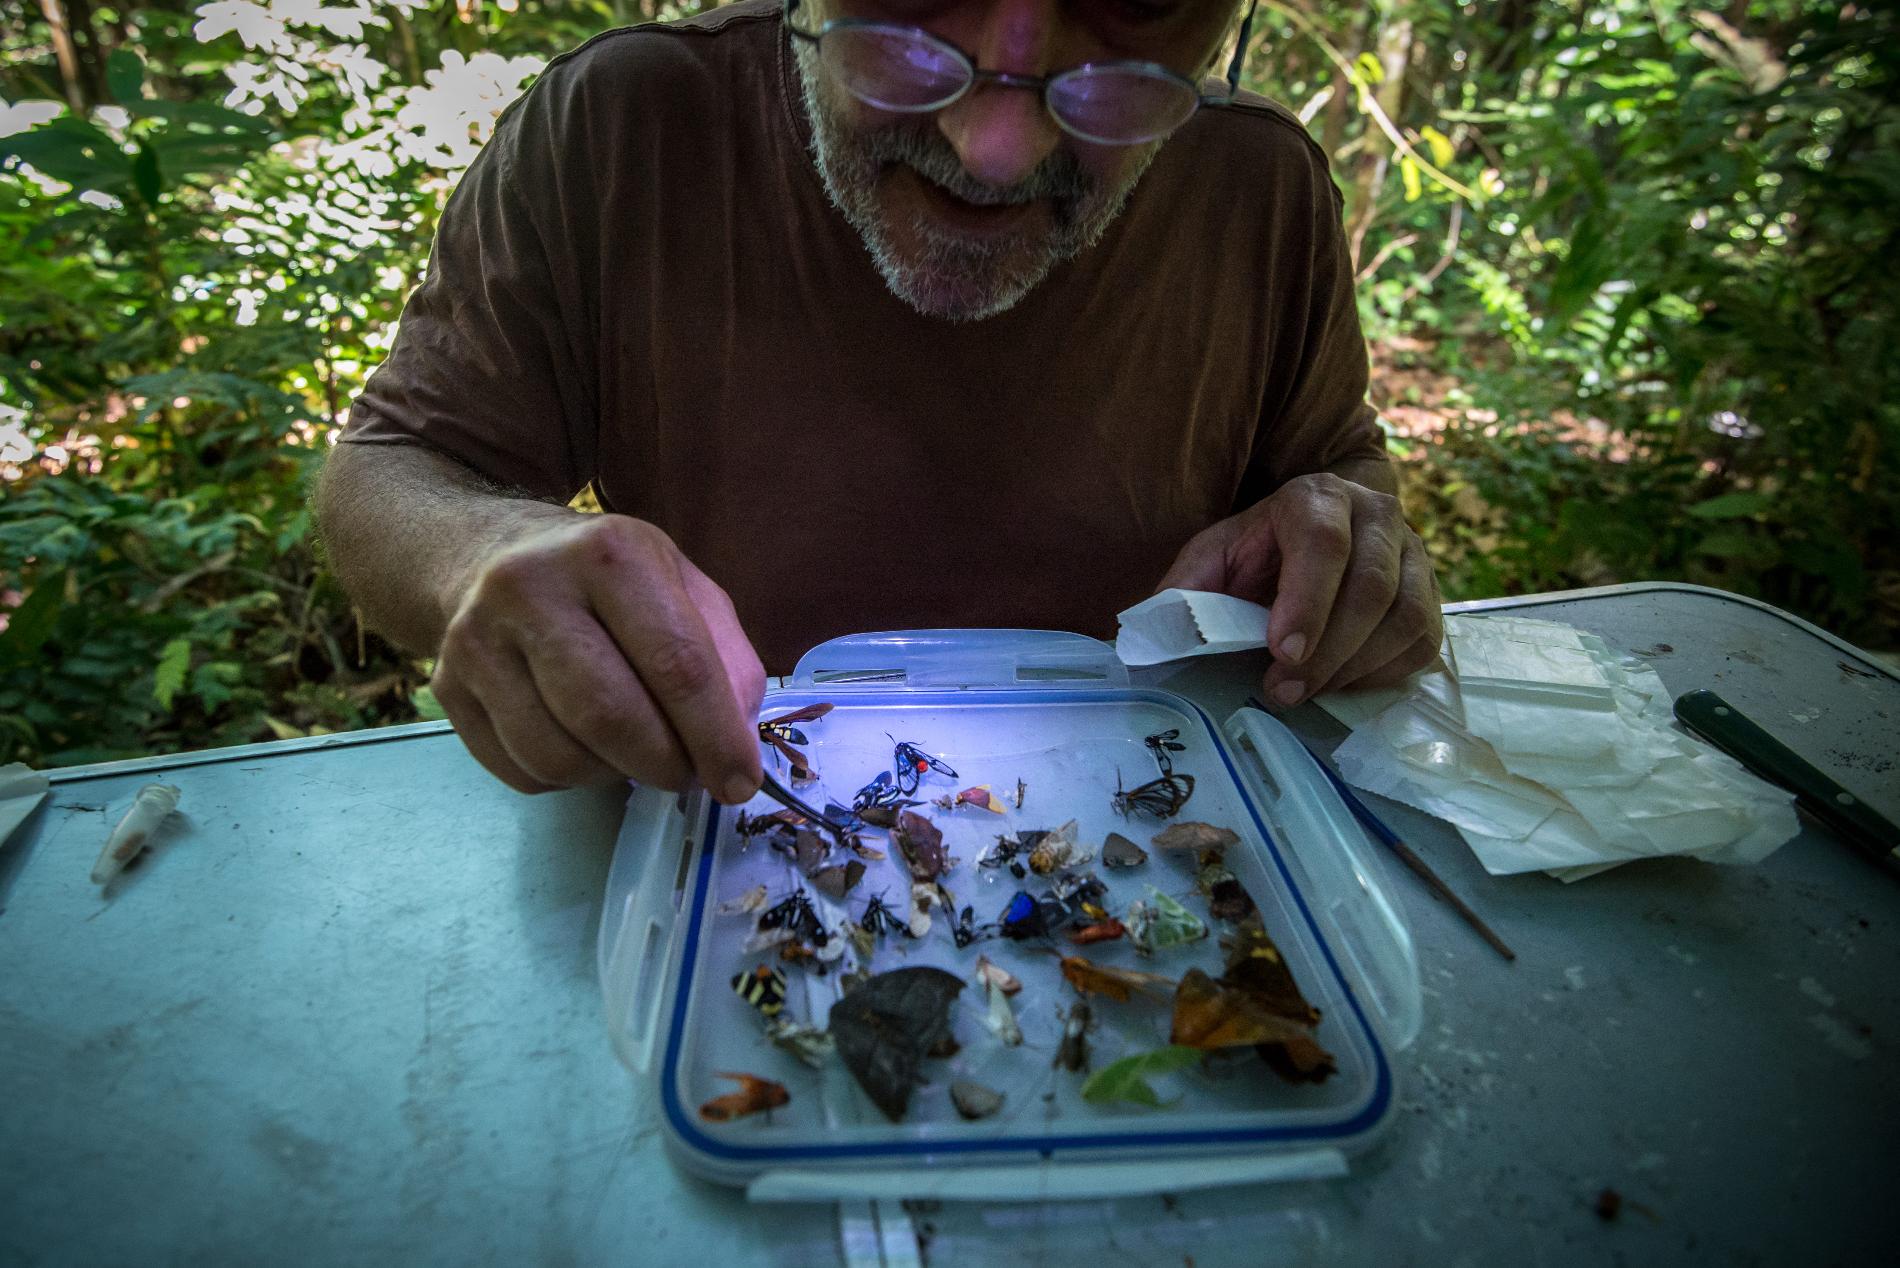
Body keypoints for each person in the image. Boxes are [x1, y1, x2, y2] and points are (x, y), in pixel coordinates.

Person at [314, 0, 1443, 803]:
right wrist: (482, 552)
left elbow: (1336, 469)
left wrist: (1343, 540)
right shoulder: (622, 124)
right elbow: (393, 466)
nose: (995, 150)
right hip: (727, 826)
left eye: (1136, 11)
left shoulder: (1258, 183)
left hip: (1170, 843)